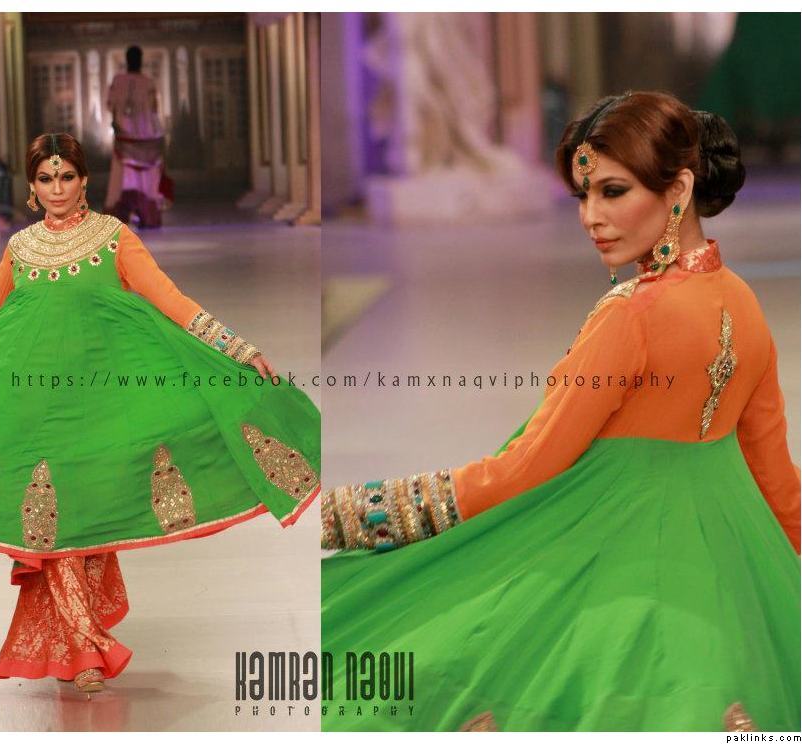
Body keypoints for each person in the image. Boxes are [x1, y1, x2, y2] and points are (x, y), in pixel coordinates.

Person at [319, 91, 800, 732]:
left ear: (680, 188)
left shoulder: (630, 317)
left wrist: (348, 515)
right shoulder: (742, 303)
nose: (591, 217)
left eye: (613, 191)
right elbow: (777, 482)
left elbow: (521, 470)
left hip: (612, 582)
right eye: (583, 195)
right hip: (727, 595)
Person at [0, 132, 320, 698]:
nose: (57, 188)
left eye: (66, 176)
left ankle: (82, 636)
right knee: (51, 524)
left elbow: (170, 299)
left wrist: (237, 348)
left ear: (85, 180)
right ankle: (85, 646)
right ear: (32, 186)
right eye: (46, 178)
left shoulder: (113, 237)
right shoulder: (20, 249)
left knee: (91, 512)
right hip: (33, 407)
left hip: (100, 403)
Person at [105, 45, 167, 228]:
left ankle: (124, 216)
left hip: (125, 139)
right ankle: (146, 215)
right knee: (146, 180)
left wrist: (119, 121)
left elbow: (110, 105)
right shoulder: (148, 82)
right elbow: (154, 110)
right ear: (140, 61)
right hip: (145, 139)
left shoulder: (118, 81)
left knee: (122, 179)